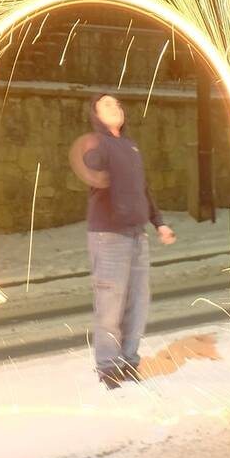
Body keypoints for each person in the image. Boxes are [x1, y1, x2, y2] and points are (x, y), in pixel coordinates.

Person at [73, 93, 175, 388]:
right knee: (110, 305)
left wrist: (159, 223)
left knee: (137, 303)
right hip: (108, 236)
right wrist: (91, 156)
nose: (115, 107)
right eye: (106, 104)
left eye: (117, 104)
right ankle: (108, 367)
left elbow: (143, 188)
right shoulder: (98, 144)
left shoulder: (131, 146)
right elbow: (89, 163)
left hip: (137, 235)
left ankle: (129, 361)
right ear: (95, 114)